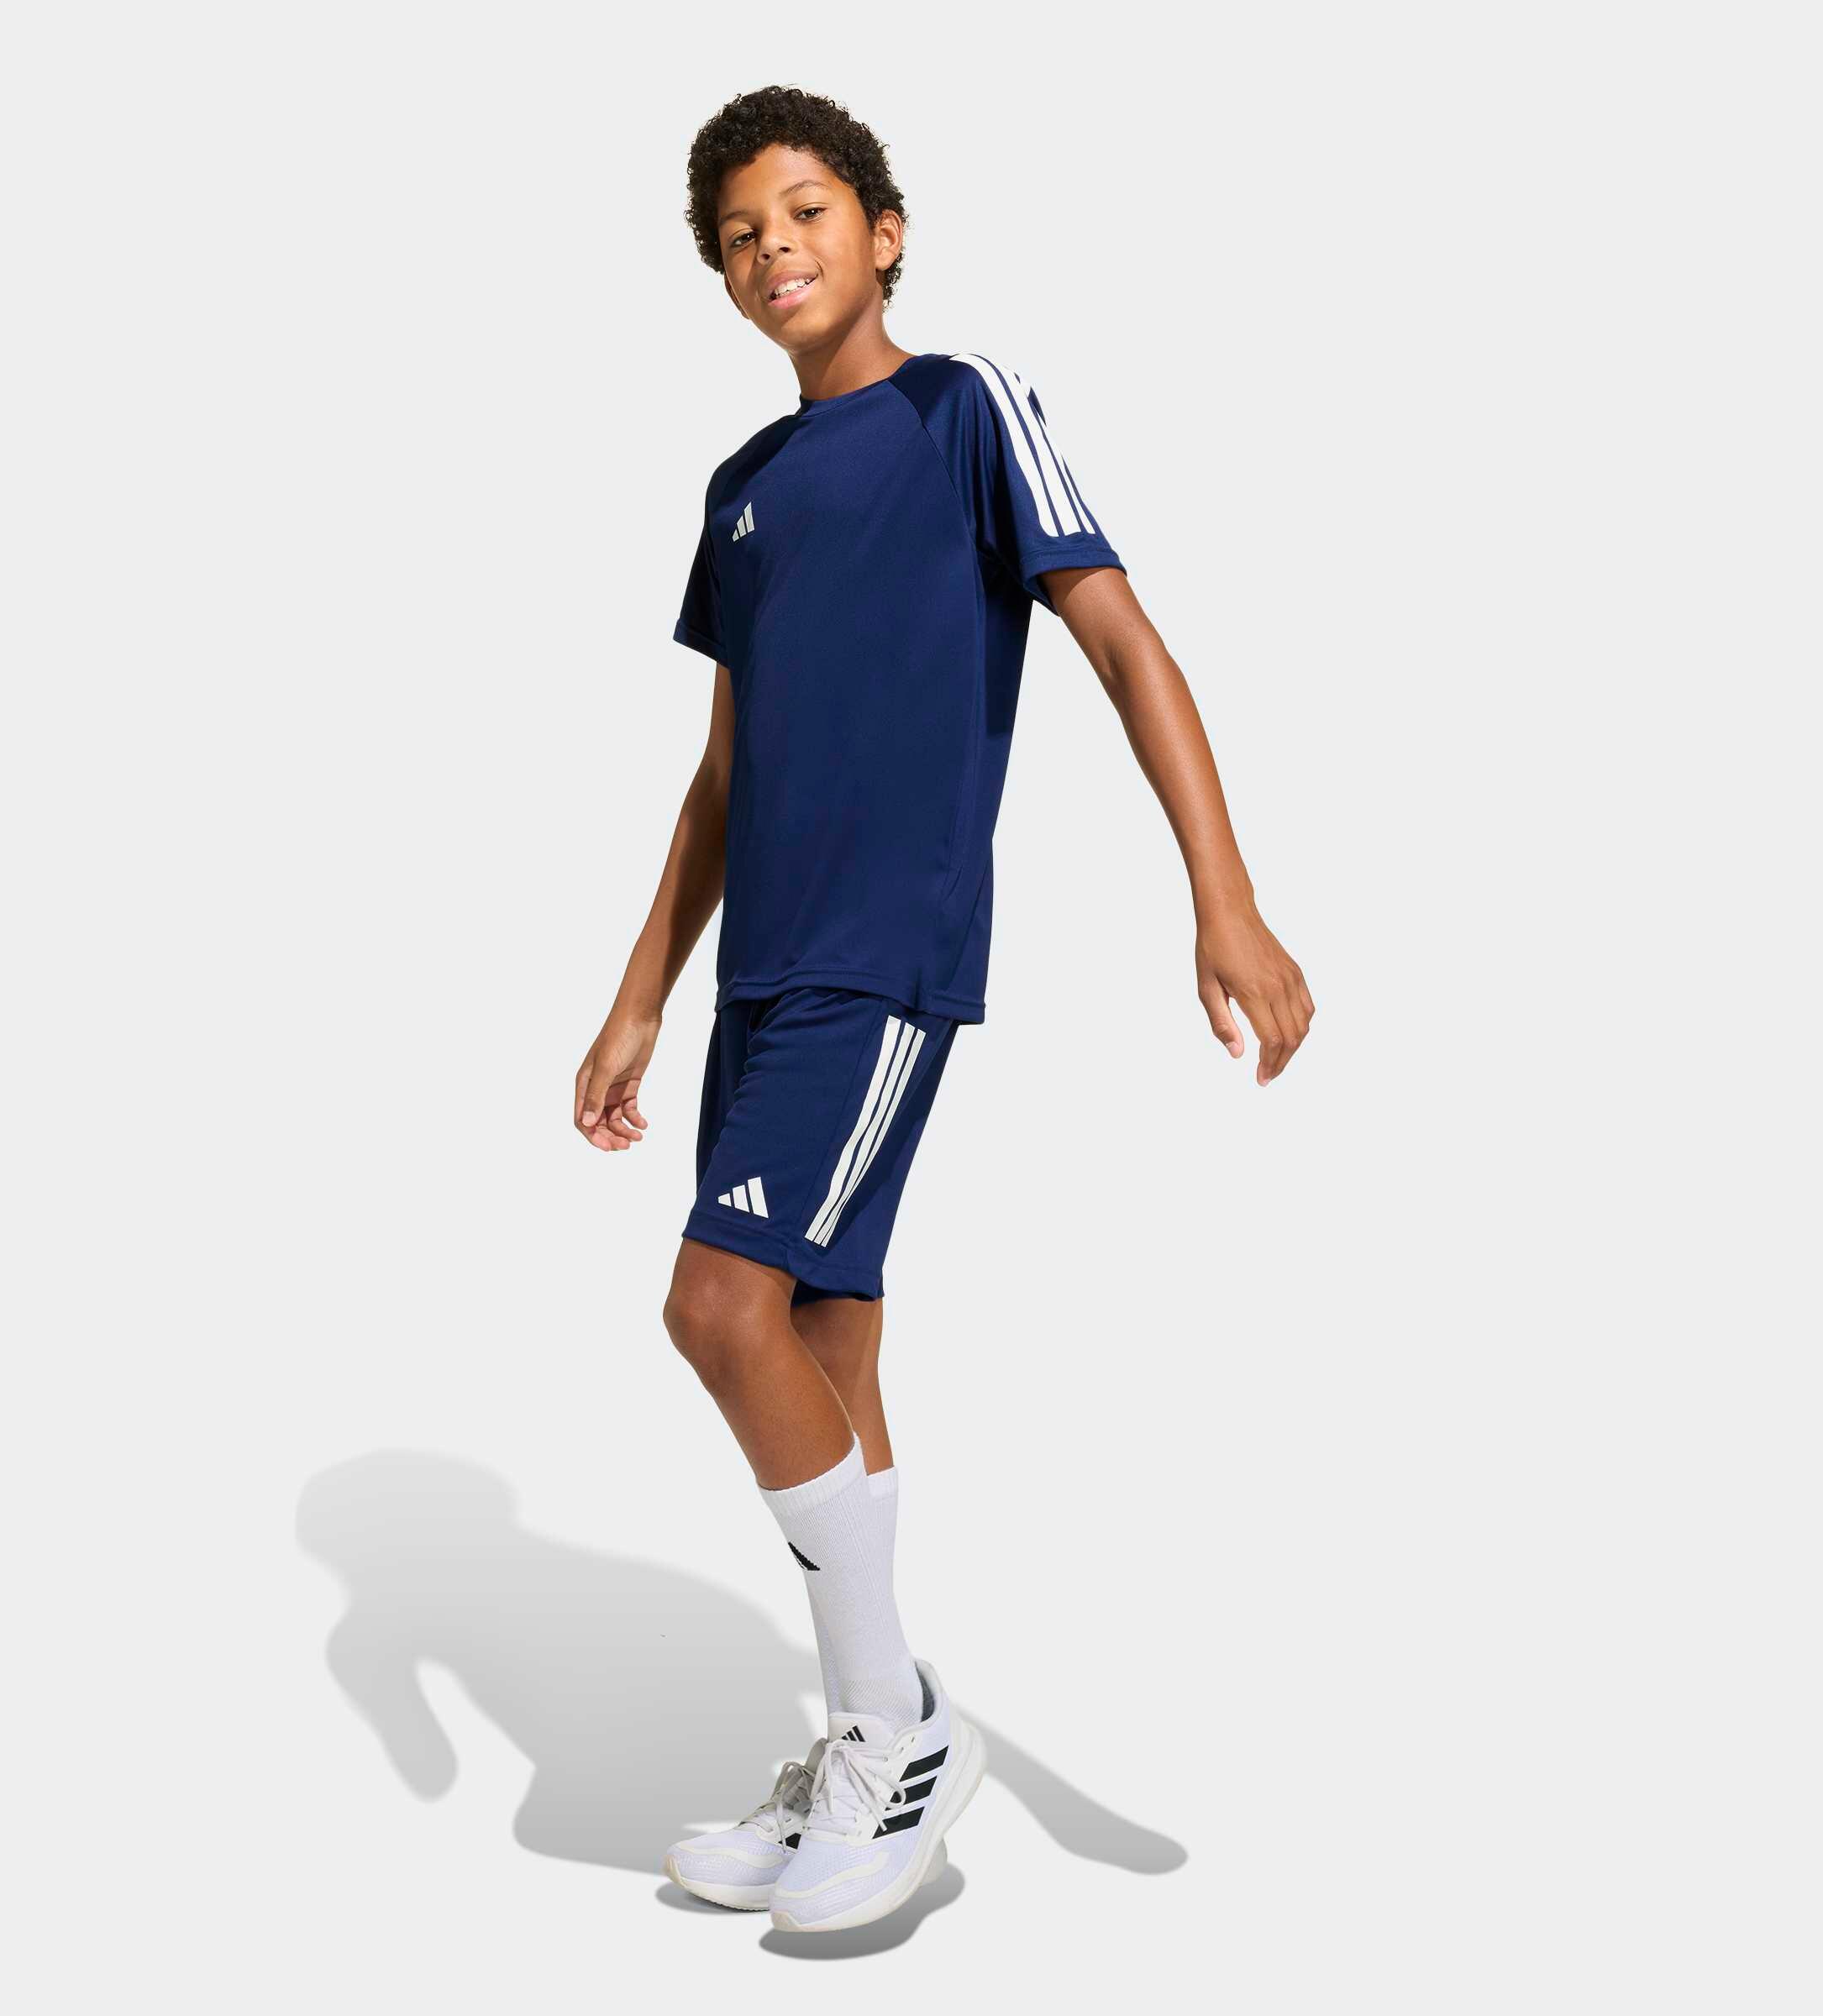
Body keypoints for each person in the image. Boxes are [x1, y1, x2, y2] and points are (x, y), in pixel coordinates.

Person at [574, 85, 1313, 1934]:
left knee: (715, 1304)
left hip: (881, 957)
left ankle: (900, 1729)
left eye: (806, 210)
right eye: (739, 236)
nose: (775, 249)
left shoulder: (961, 410)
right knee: (824, 1334)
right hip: (761, 973)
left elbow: (1122, 637)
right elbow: (722, 778)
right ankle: (869, 1733)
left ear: (885, 230)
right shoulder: (741, 493)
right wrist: (640, 999)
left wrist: (1223, 895)